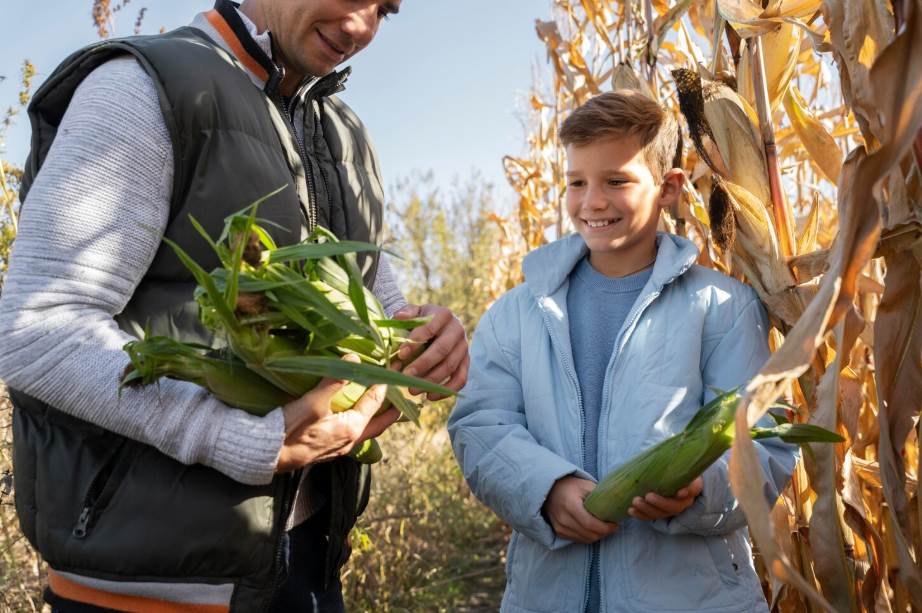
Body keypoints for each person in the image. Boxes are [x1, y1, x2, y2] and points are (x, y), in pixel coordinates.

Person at [0, 1, 469, 611]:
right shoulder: (147, 87)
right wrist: (236, 438)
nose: (362, 26)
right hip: (150, 586)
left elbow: (371, 303)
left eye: (384, 8)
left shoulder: (342, 132)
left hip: (306, 567)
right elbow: (38, 333)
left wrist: (420, 340)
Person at [447, 90, 798, 613]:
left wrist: (701, 488)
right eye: (577, 183)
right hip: (546, 595)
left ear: (668, 188)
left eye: (616, 181)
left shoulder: (722, 307)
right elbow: (480, 425)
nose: (592, 201)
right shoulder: (515, 313)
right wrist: (545, 490)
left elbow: (765, 444)